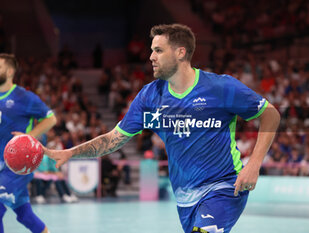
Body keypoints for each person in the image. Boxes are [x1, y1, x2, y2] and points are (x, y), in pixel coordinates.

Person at [45, 24, 280, 233]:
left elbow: (270, 115)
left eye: (158, 50)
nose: (150, 57)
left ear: (180, 52)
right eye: (151, 50)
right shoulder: (150, 96)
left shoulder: (220, 87)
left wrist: (254, 165)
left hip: (225, 187)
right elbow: (114, 139)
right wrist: (71, 152)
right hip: (185, 196)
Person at [0, 53, 56, 233]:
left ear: (9, 71)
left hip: (17, 165)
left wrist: (28, 137)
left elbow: (50, 119)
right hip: (0, 165)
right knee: (24, 213)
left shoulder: (24, 97)